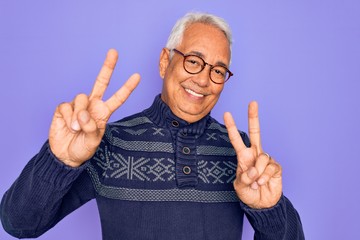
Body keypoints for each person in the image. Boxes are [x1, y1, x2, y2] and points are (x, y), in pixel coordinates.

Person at [0, 12, 304, 239]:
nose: (202, 79)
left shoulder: (243, 154)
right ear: (164, 61)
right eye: (194, 61)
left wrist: (269, 210)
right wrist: (59, 161)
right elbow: (19, 223)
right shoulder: (107, 143)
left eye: (218, 70)